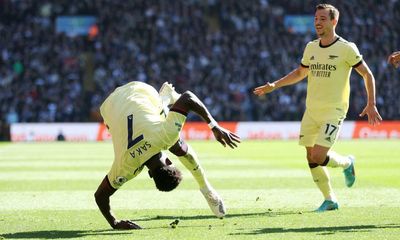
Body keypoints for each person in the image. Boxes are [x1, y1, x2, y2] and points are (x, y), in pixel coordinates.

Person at [254, 4, 382, 212]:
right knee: (310, 156)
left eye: (322, 18)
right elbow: (299, 72)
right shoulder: (311, 47)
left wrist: (371, 103)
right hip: (311, 110)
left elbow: (367, 74)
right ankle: (330, 199)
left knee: (319, 156)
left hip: (334, 110)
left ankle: (347, 164)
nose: (317, 22)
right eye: (315, 18)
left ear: (334, 21)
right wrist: (274, 85)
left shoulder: (347, 48)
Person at [94, 81, 240, 229]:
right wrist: (115, 223)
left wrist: (214, 126)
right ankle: (205, 187)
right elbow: (100, 196)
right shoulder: (125, 166)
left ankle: (206, 188)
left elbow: (188, 97)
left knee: (170, 139)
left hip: (137, 91)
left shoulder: (164, 136)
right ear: (150, 174)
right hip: (110, 106)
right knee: (173, 143)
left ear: (169, 161)